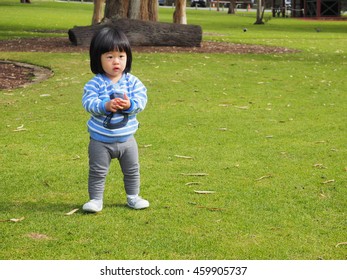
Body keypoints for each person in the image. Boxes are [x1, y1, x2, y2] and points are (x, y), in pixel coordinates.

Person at [82, 26, 149, 212]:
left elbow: (142, 101)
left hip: (127, 140)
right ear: (98, 59)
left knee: (132, 170)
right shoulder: (94, 83)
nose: (116, 61)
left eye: (121, 56)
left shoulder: (132, 82)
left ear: (127, 57)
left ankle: (133, 197)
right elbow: (88, 102)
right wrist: (105, 106)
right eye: (109, 57)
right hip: (100, 140)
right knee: (97, 172)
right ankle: (95, 200)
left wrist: (130, 105)